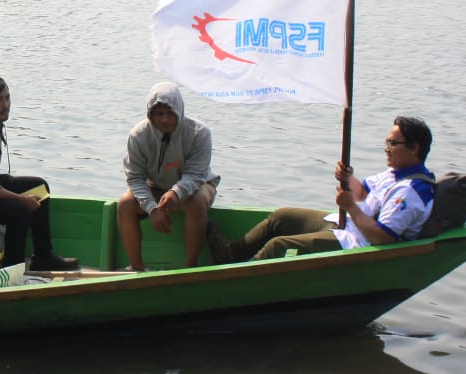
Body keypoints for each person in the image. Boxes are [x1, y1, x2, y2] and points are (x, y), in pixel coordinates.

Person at [208, 116, 436, 263]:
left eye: (393, 144)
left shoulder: (411, 190)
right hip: (345, 223)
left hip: (357, 243)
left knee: (279, 245)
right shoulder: (394, 173)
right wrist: (347, 179)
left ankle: (240, 280)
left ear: (414, 148)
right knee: (282, 217)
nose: (387, 149)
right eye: (386, 143)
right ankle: (230, 254)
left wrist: (351, 208)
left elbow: (383, 237)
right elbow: (362, 194)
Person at [0, 74, 79, 272]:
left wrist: (21, 196)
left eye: (7, 97)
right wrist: (21, 199)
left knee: (39, 186)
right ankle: (12, 269)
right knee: (19, 210)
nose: (6, 104)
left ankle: (43, 256)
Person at [118, 81, 220, 270]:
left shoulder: (200, 133)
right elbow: (135, 178)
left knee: (196, 202)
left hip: (198, 185)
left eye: (170, 113)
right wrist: (152, 209)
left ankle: (190, 267)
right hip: (156, 186)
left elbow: (196, 174)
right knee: (125, 204)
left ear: (179, 111)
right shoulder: (138, 136)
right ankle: (136, 267)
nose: (164, 120)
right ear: (150, 114)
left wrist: (176, 193)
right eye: (158, 114)